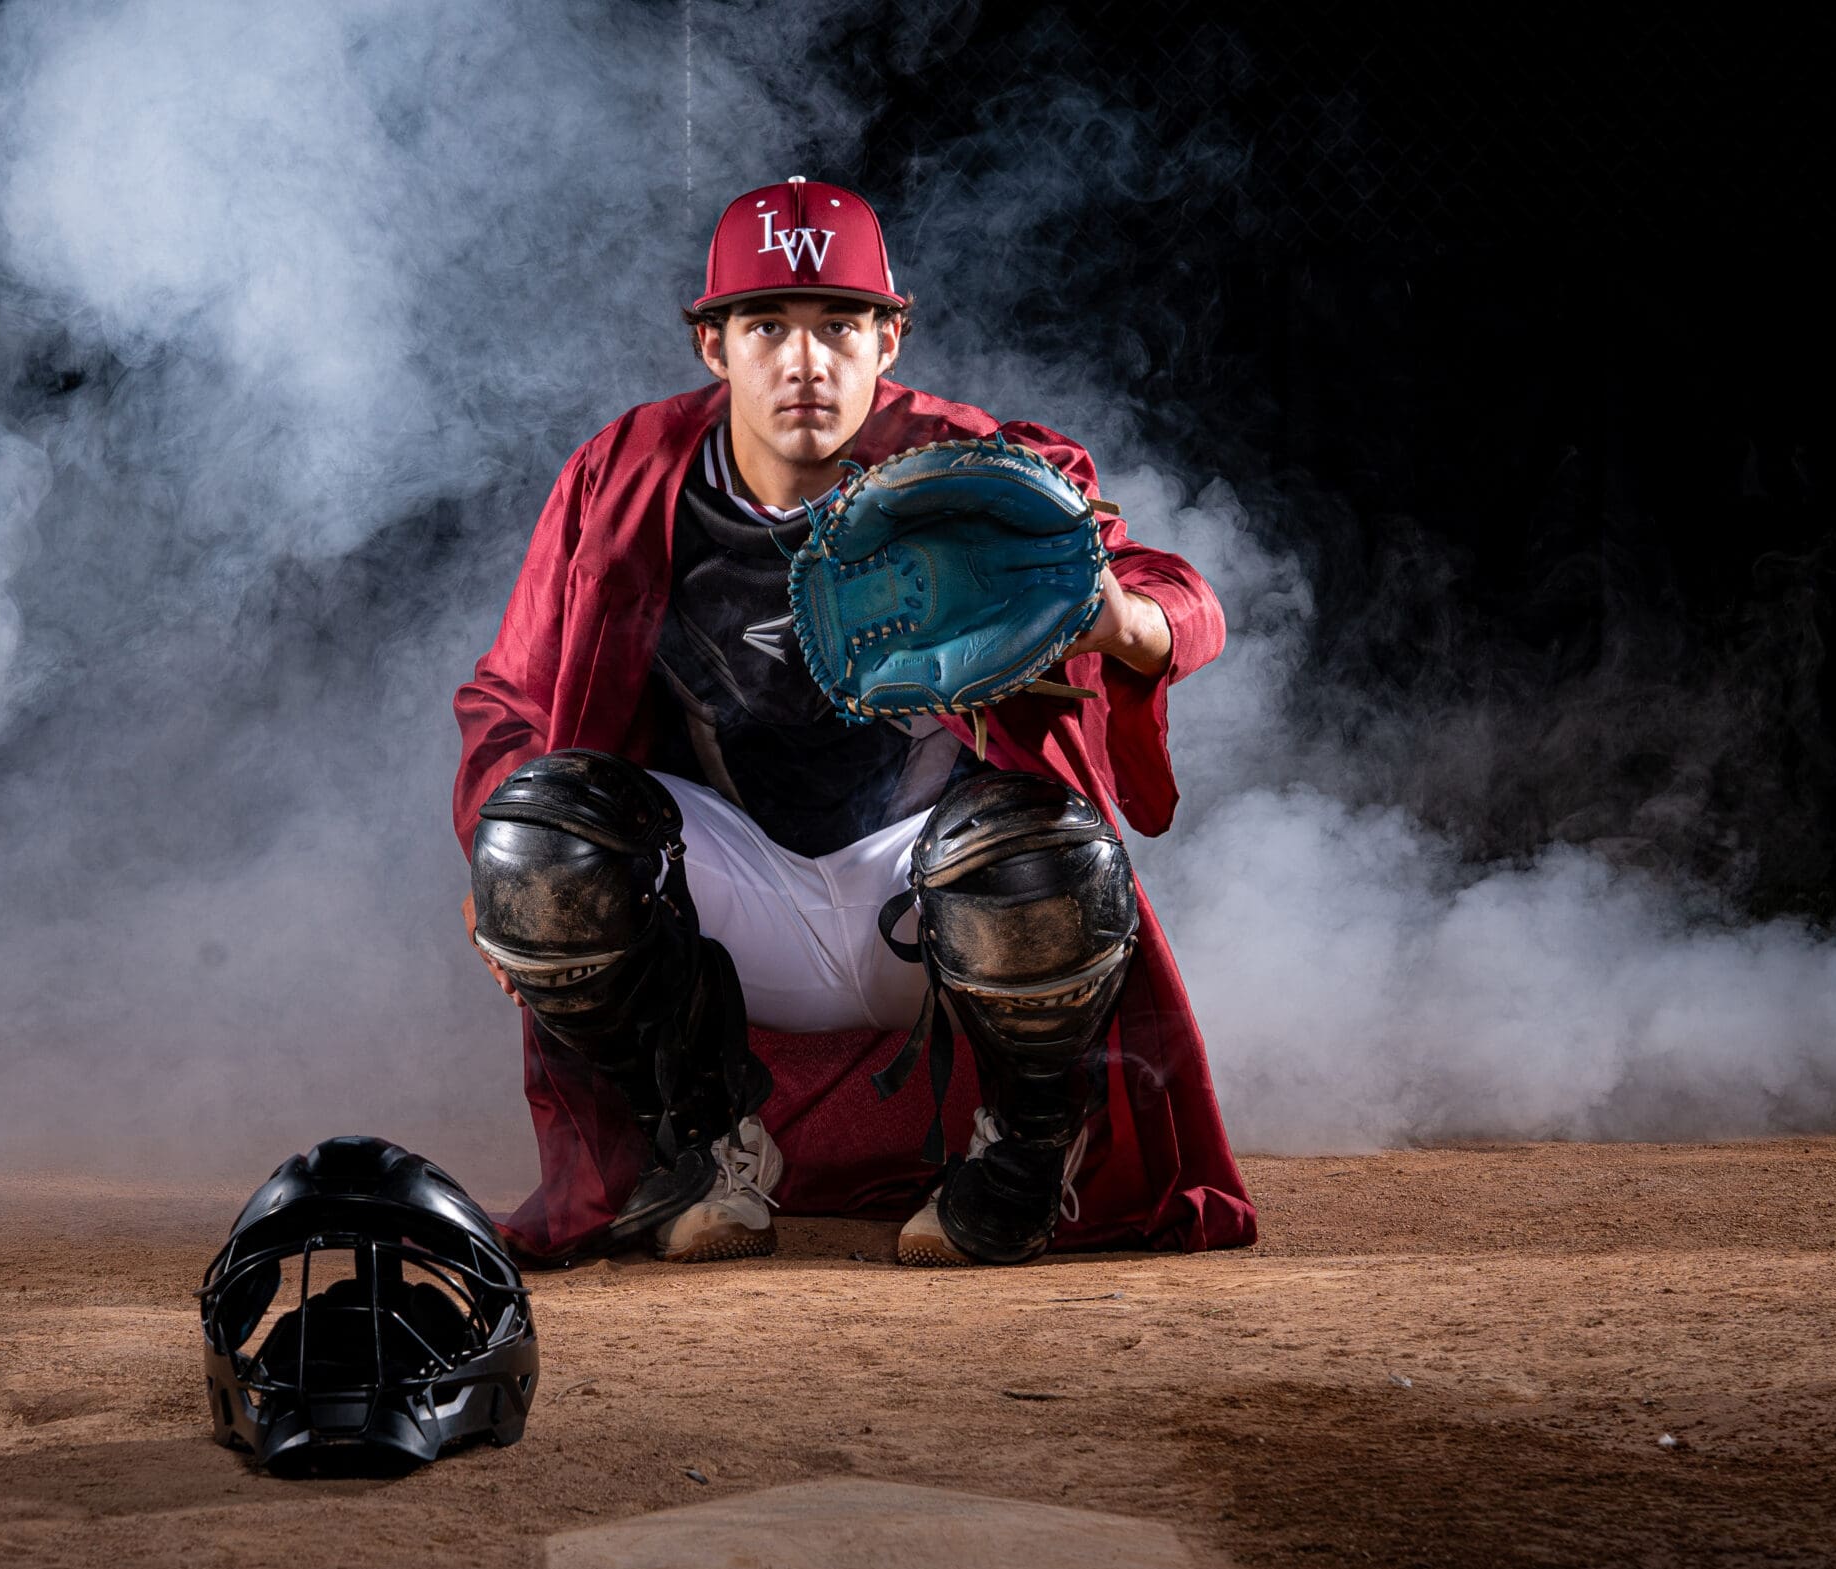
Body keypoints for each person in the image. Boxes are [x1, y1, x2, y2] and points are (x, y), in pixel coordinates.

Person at [453, 176, 1255, 1267]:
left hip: (924, 895)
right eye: (766, 327)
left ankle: (1021, 1157)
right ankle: (700, 1148)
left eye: (839, 326)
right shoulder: (626, 474)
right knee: (543, 831)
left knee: (1042, 851)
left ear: (888, 339)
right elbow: (506, 696)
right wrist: (506, 878)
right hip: (732, 907)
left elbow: (1184, 605)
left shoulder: (965, 465)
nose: (804, 362)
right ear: (712, 347)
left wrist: (1115, 615)